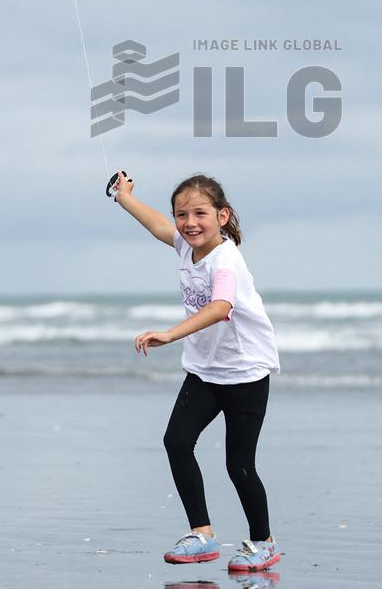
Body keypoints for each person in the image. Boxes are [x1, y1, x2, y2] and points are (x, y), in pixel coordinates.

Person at [112, 171, 281, 573]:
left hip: (245, 372)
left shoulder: (226, 260)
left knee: (239, 464)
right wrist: (124, 197)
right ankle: (202, 535)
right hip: (205, 371)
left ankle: (263, 542)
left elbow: (221, 307)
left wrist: (170, 334)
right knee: (176, 441)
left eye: (200, 213)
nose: (189, 223)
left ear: (222, 216)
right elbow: (158, 226)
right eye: (182, 214)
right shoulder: (185, 246)